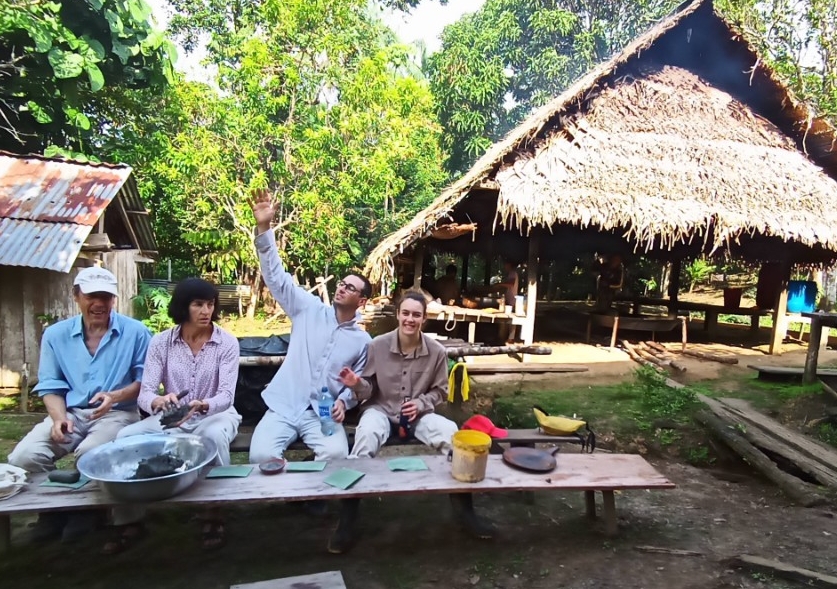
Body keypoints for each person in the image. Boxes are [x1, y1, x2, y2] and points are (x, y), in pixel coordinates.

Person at [331, 291, 495, 554]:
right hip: (381, 409)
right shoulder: (377, 346)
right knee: (366, 434)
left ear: (424, 319)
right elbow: (368, 389)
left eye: (416, 314)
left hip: (417, 416)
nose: (410, 319)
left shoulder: (437, 352)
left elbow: (440, 391)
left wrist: (420, 404)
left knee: (451, 434)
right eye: (405, 313)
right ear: (397, 315)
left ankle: (465, 511)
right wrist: (356, 384)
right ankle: (348, 518)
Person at [8, 267, 150, 542]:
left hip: (118, 413)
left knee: (90, 453)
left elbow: (146, 380)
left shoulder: (136, 332)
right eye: (92, 296)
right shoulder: (56, 335)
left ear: (114, 299)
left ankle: (89, 512)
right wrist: (59, 417)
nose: (99, 304)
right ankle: (52, 511)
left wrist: (115, 396)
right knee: (24, 455)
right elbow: (50, 384)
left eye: (106, 297)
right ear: (76, 296)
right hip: (72, 411)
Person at [102, 278, 242, 554]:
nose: (206, 311)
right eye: (198, 304)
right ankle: (129, 519)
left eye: (210, 304)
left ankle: (213, 516)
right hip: (173, 415)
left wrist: (202, 405)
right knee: (126, 437)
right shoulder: (161, 343)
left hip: (216, 413)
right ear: (183, 307)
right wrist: (158, 400)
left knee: (211, 437)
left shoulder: (226, 342)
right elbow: (145, 393)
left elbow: (226, 395)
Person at [247, 189, 371, 468]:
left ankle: (308, 495)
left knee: (337, 455)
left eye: (350, 287)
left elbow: (359, 383)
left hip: (323, 412)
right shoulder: (308, 309)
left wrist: (345, 402)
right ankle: (294, 493)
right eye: (342, 282)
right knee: (259, 457)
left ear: (361, 301)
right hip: (285, 404)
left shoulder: (363, 341)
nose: (341, 287)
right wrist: (264, 227)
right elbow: (277, 278)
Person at [496, 260, 520, 343]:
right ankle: (507, 337)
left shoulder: (513, 273)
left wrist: (499, 284)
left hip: (512, 299)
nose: (504, 266)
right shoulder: (510, 274)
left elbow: (510, 284)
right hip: (509, 298)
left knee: (513, 319)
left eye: (505, 264)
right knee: (509, 318)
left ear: (509, 264)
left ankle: (511, 338)